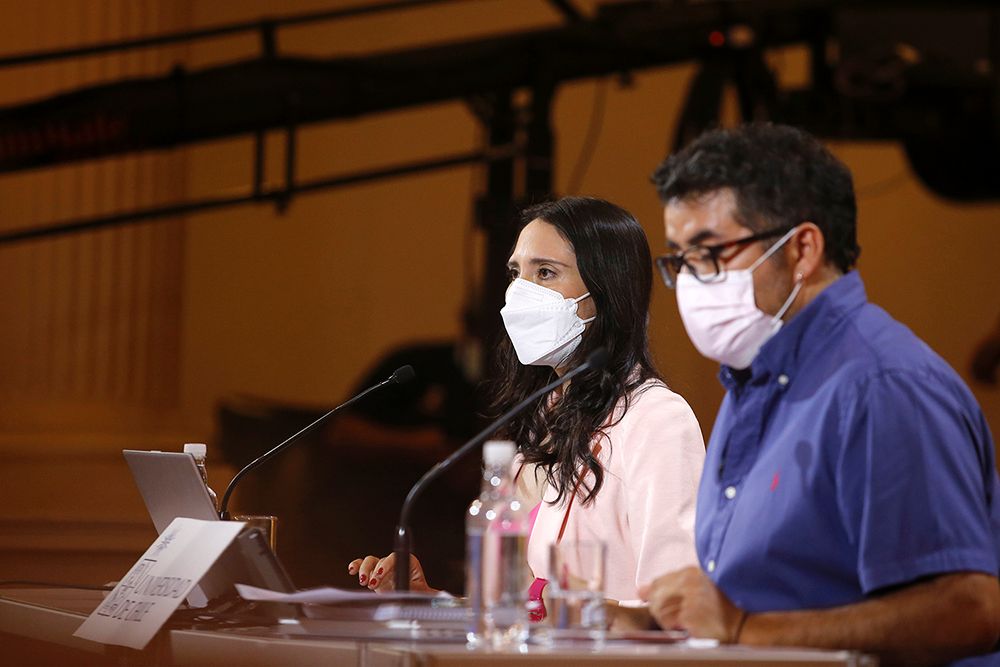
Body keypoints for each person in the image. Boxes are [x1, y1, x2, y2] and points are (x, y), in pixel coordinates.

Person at [643, 123, 1000, 666]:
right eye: (681, 260)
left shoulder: (881, 387)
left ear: (802, 249)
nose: (692, 281)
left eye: (710, 253)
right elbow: (772, 591)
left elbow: (969, 610)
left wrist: (744, 629)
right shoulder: (756, 379)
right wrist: (653, 623)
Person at [348, 196, 706, 604]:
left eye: (546, 272)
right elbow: (520, 614)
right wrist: (431, 600)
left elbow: (677, 610)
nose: (521, 292)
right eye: (516, 273)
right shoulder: (540, 420)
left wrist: (573, 616)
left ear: (606, 291)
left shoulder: (657, 420)